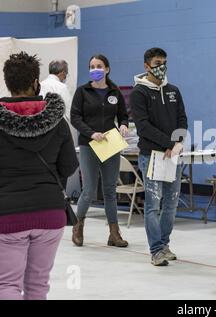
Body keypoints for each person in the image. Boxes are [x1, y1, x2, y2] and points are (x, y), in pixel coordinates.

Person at [0, 51, 78, 300]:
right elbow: (68, 167)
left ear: (7, 83)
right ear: (36, 82)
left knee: (7, 285)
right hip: (50, 212)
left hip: (7, 214)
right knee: (38, 286)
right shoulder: (58, 120)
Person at [130, 47, 187, 267]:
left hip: (174, 155)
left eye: (164, 61)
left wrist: (177, 144)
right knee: (153, 204)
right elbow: (143, 127)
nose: (161, 66)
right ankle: (155, 250)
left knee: (171, 204)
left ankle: (164, 244)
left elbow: (182, 119)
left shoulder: (174, 90)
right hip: (151, 155)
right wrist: (168, 144)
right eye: (156, 62)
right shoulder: (139, 93)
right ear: (146, 66)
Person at [70, 54, 129, 248]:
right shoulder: (82, 92)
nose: (95, 69)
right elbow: (75, 118)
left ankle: (114, 233)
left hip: (110, 144)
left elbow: (123, 115)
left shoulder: (115, 92)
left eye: (99, 66)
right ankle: (78, 226)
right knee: (89, 190)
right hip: (89, 144)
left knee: (110, 190)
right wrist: (91, 133)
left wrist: (123, 125)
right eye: (92, 66)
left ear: (107, 69)